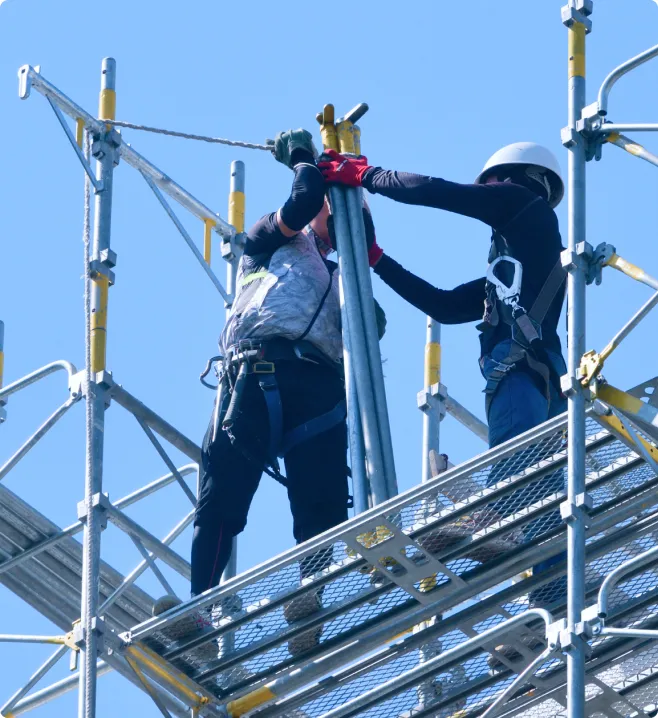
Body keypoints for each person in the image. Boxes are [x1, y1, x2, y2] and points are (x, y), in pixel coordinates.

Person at [319, 144, 569, 651]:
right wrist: (378, 260)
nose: (490, 191)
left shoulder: (527, 207)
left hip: (522, 374)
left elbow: (441, 194)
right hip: (544, 381)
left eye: (495, 182)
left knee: (522, 476)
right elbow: (442, 303)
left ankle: (496, 522)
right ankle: (552, 610)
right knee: (546, 500)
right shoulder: (513, 265)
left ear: (525, 180)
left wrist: (367, 175)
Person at [153, 130, 384, 659]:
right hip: (257, 375)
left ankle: (310, 599)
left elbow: (370, 331)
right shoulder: (266, 241)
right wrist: (306, 160)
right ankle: (200, 613)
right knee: (221, 501)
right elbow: (303, 198)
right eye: (340, 209)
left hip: (317, 389)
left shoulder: (344, 276)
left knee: (322, 505)